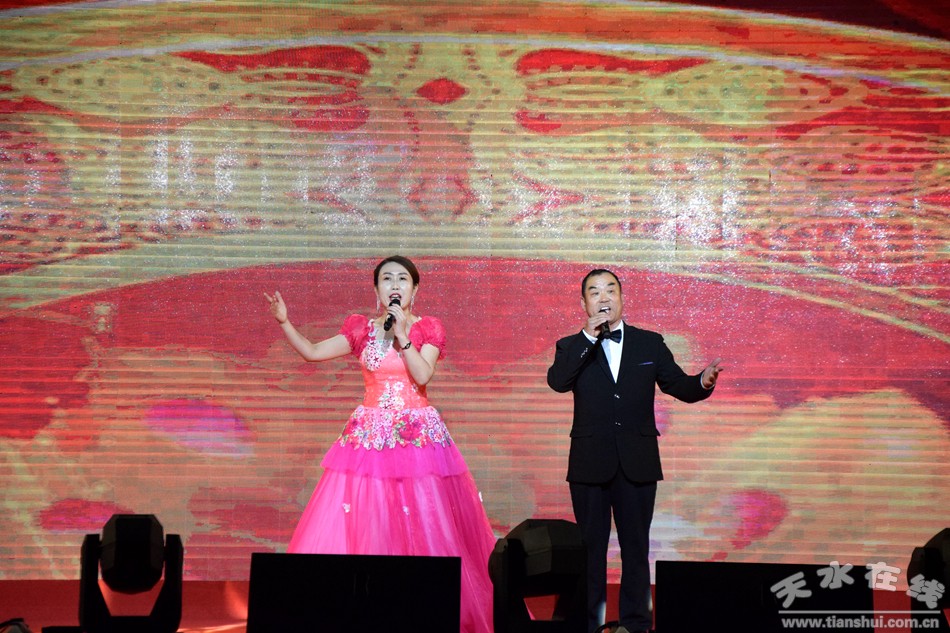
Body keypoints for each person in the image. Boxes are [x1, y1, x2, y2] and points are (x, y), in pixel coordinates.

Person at [264, 256, 495, 633]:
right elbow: (313, 352)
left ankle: (422, 610)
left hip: (417, 439)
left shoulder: (428, 328)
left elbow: (423, 374)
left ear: (414, 289)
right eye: (387, 279)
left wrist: (403, 335)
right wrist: (284, 322)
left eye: (403, 279)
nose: (394, 285)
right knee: (369, 523)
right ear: (376, 289)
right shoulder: (361, 329)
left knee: (423, 524)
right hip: (369, 441)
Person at [546, 269, 722, 633]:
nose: (604, 297)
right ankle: (589, 624)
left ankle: (637, 624)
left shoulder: (649, 343)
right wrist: (587, 338)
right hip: (589, 464)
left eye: (610, 290)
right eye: (595, 292)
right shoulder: (570, 346)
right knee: (590, 552)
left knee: (636, 549)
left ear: (622, 298)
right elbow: (558, 382)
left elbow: (679, 385)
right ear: (584, 303)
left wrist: (702, 382)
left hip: (637, 462)